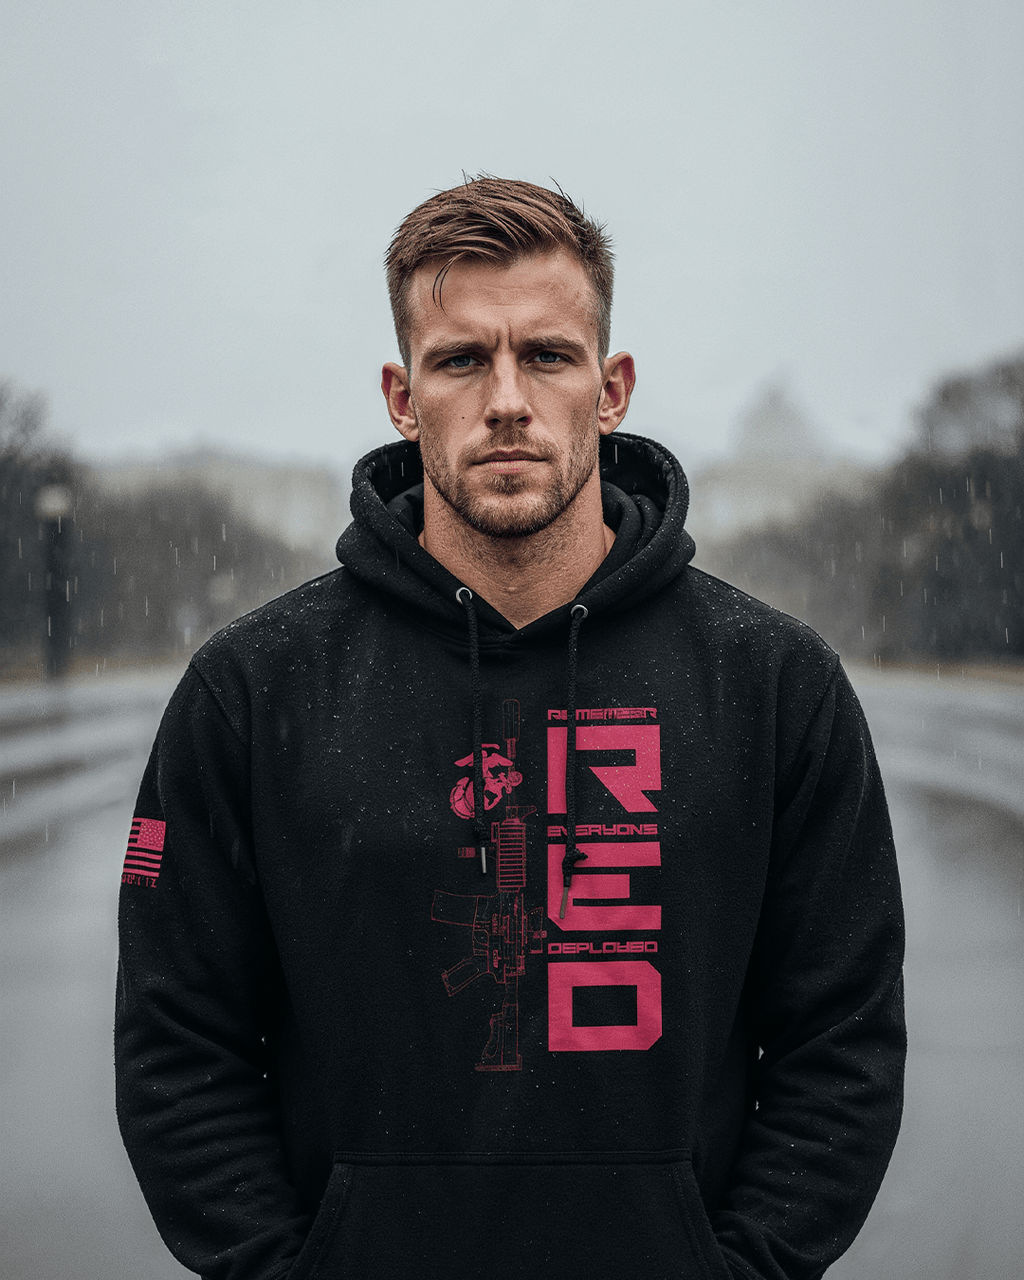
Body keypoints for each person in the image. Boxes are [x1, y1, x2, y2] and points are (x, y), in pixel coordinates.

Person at [115, 177, 906, 1280]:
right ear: (400, 395)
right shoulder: (255, 687)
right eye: (458, 360)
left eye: (544, 354)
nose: (505, 400)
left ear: (611, 385)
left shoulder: (772, 682)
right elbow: (178, 1040)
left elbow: (841, 1038)